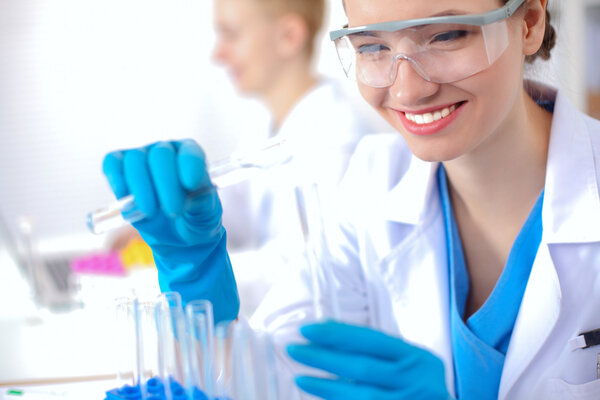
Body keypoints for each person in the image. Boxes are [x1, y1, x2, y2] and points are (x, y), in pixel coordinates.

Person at [101, 0, 600, 398]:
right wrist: (197, 285)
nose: (408, 87)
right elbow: (280, 381)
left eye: (447, 35)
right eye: (371, 47)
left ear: (529, 21)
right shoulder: (369, 187)